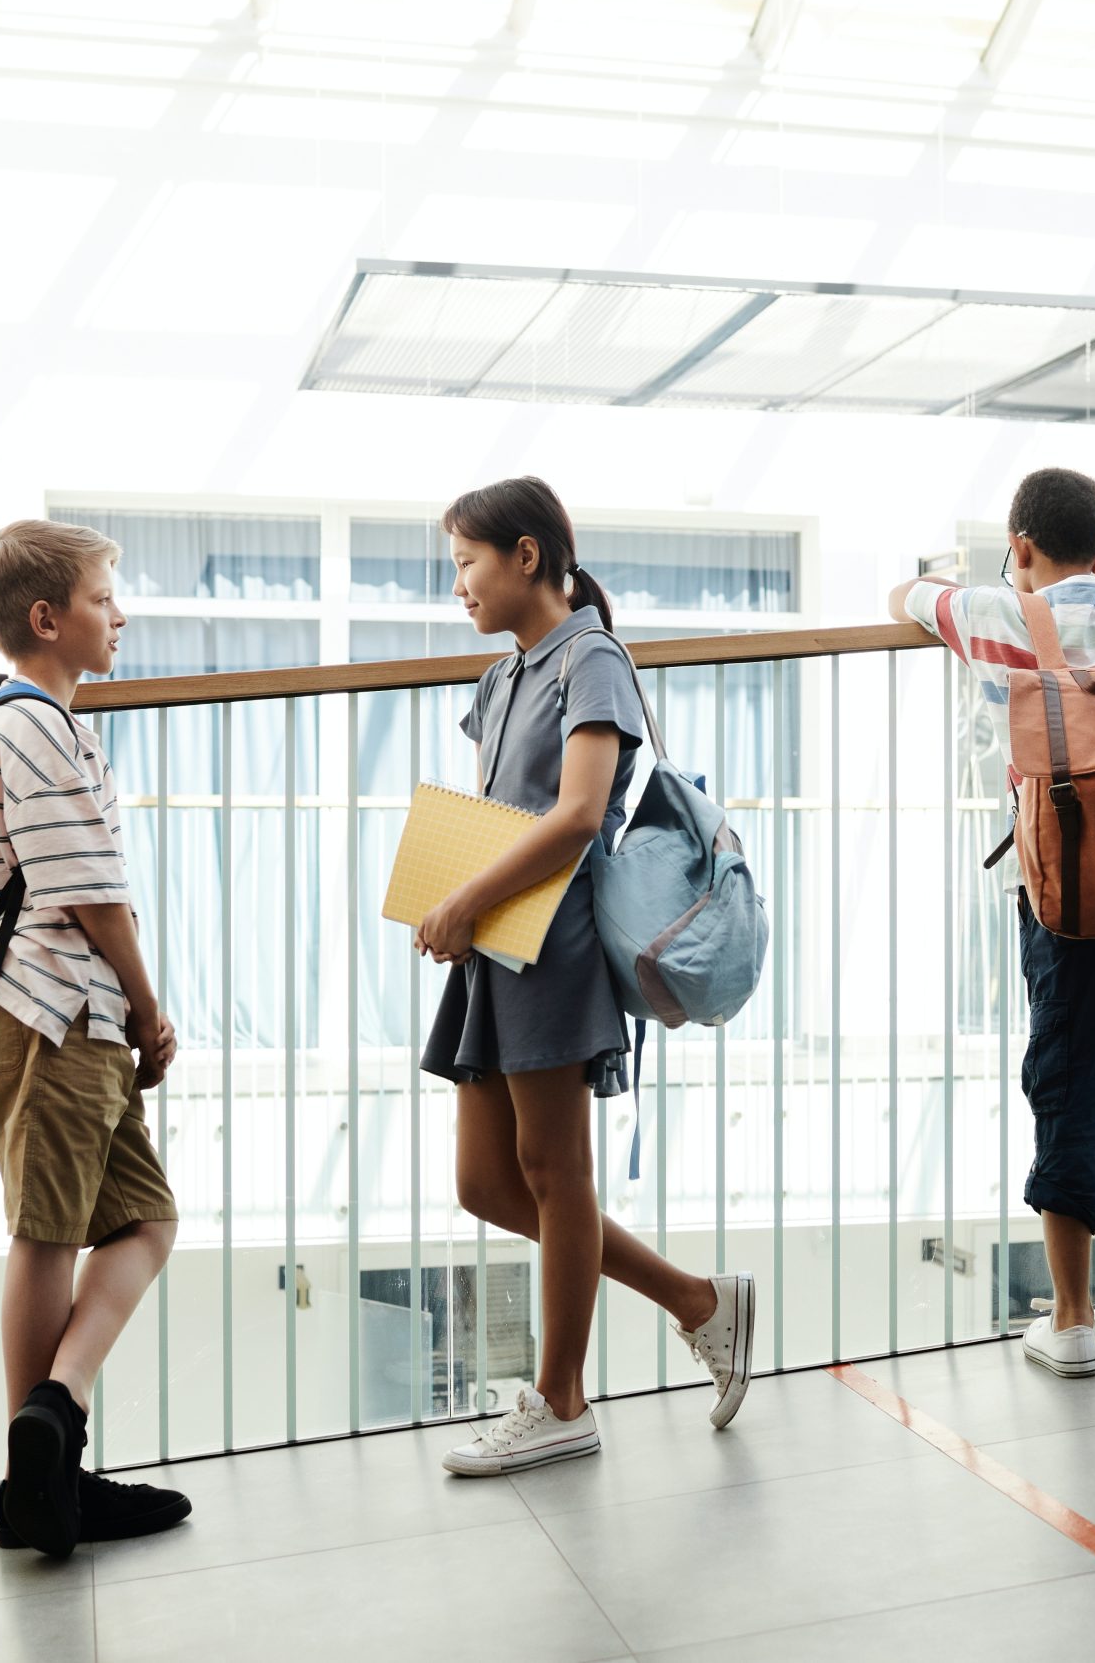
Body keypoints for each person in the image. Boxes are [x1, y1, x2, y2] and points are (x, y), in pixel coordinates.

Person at [414, 475, 753, 1474]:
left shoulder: (588, 657)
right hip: (495, 944)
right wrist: (452, 902)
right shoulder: (503, 676)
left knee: (556, 1175)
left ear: (527, 556)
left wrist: (466, 899)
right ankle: (698, 1300)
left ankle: (562, 1401)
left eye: (467, 564)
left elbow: (575, 813)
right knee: (488, 1182)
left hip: (548, 941)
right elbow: (495, 814)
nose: (460, 587)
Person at [890, 467, 1095, 1378]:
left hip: (1063, 890)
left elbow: (908, 594)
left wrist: (988, 581)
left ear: (1020, 548)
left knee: (1065, 1080)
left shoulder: (997, 618)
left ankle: (1071, 1317)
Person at [0, 518, 189, 1559]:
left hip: (70, 1018)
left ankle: (54, 1423)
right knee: (47, 1233)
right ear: (47, 617)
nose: (121, 615)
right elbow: (92, 893)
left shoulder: (43, 721)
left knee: (143, 1218)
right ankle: (37, 1485)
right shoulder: (32, 727)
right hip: (57, 1013)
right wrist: (148, 1008)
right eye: (105, 598)